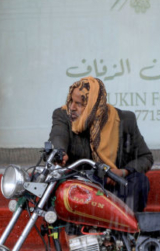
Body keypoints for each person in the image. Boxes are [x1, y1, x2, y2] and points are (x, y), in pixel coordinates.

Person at [49, 76, 153, 212]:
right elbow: (58, 135)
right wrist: (59, 152)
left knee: (139, 181)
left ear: (94, 106)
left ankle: (125, 230)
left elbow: (146, 157)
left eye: (79, 104)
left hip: (112, 184)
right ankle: (75, 232)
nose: (72, 107)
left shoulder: (125, 120)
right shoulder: (64, 115)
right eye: (71, 101)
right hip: (81, 186)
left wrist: (122, 172)